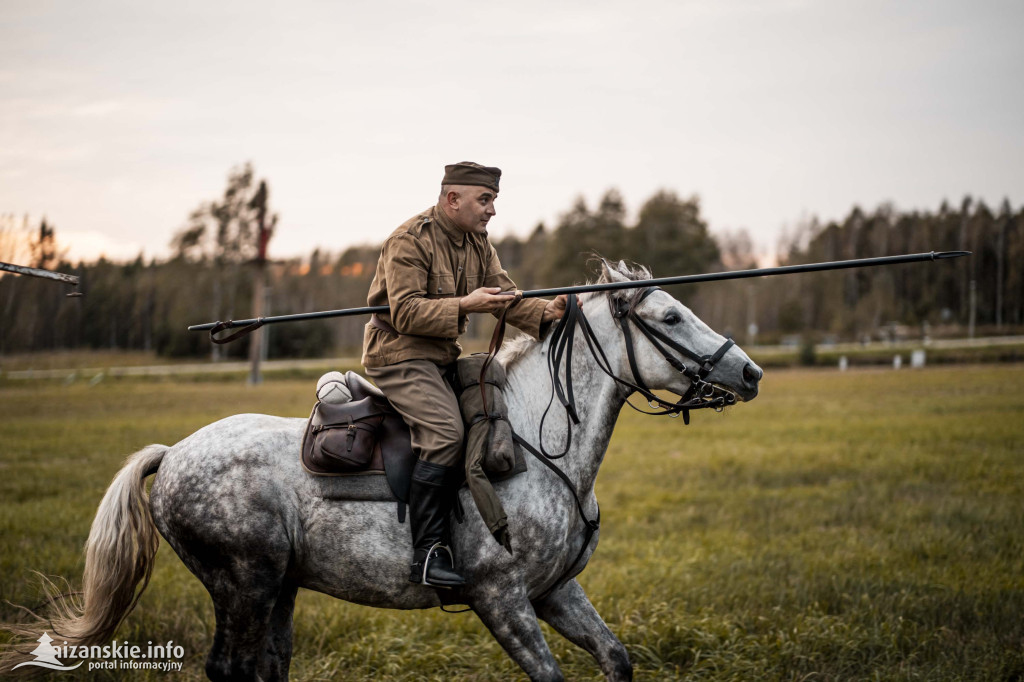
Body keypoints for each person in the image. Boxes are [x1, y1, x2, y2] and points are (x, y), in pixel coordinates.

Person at [362, 161, 568, 588]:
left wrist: (549, 313)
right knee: (446, 435)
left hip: (442, 356)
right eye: (485, 199)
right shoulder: (407, 241)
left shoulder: (478, 243)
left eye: (493, 200)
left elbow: (505, 297)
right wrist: (466, 305)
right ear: (452, 199)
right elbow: (405, 312)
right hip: (398, 354)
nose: (492, 210)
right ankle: (428, 554)